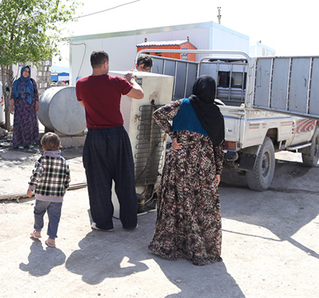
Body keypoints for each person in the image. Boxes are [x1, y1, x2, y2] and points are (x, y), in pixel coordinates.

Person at [148, 75, 224, 266]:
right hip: (203, 166)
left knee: (175, 202)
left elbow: (158, 114)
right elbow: (218, 147)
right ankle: (198, 248)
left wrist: (173, 135)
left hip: (179, 162)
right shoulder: (216, 114)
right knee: (201, 205)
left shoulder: (183, 104)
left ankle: (170, 245)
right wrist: (218, 171)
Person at [75, 50, 144, 231]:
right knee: (125, 178)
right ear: (105, 64)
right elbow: (140, 94)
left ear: (93, 64)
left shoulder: (81, 84)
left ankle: (104, 223)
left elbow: (84, 104)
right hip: (117, 135)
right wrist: (132, 80)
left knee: (98, 180)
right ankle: (129, 222)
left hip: (95, 135)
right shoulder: (116, 81)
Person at [27, 132, 71, 248]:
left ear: (43, 147)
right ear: (59, 145)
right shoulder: (64, 162)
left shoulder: (42, 160)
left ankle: (37, 231)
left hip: (42, 195)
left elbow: (36, 175)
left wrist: (31, 188)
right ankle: (51, 239)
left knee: (38, 212)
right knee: (54, 217)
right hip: (57, 197)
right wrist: (63, 190)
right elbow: (67, 179)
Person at [10, 65, 39, 149]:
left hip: (30, 107)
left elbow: (36, 95)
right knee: (20, 125)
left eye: (28, 71)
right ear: (21, 72)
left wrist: (37, 105)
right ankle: (20, 143)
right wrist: (11, 106)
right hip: (20, 108)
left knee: (29, 125)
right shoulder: (16, 82)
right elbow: (13, 95)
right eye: (24, 71)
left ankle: (29, 142)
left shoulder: (32, 82)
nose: (26, 73)